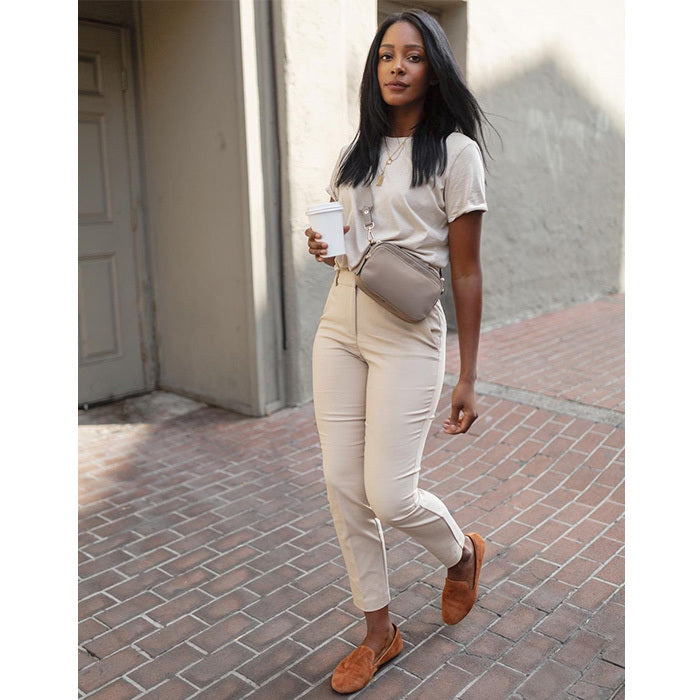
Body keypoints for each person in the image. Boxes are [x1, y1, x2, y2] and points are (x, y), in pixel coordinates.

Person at [304, 9, 491, 694]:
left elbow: (466, 271)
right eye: (387, 55)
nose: (396, 67)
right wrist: (324, 246)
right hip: (340, 326)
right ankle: (379, 630)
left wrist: (468, 376)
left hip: (408, 334)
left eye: (412, 56)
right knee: (342, 486)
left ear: (432, 68)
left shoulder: (457, 154)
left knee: (389, 492)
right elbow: (345, 243)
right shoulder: (357, 151)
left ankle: (460, 551)